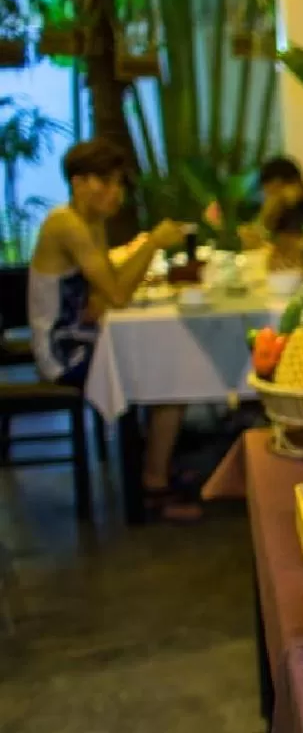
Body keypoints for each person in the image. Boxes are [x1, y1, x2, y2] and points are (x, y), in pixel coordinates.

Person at [27, 138, 201, 523]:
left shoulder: (90, 223)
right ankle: (153, 484)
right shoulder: (66, 224)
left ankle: (155, 464)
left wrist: (107, 293)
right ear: (78, 183)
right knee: (169, 376)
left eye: (118, 184)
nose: (114, 193)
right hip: (60, 350)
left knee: (163, 362)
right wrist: (152, 242)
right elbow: (118, 293)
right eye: (105, 183)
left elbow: (105, 295)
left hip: (81, 333)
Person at [237, 155, 303, 271]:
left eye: (278, 188)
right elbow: (253, 242)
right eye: (269, 192)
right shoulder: (276, 214)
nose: (274, 196)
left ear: (296, 184)